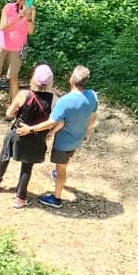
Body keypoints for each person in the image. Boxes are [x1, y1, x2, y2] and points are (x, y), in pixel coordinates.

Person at [0, 63, 56, 208]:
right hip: (37, 137)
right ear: (51, 81)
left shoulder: (24, 94)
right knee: (27, 166)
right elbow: (52, 122)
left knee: (5, 154)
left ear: (33, 79)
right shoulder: (54, 99)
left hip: (18, 133)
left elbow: (9, 113)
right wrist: (49, 133)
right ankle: (20, 198)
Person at [38, 64, 98, 209]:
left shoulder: (65, 101)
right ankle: (58, 174)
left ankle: (56, 198)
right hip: (78, 138)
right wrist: (86, 132)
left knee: (61, 169)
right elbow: (92, 117)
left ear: (71, 79)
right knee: (65, 161)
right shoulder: (92, 96)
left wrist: (31, 129)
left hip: (63, 142)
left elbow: (52, 122)